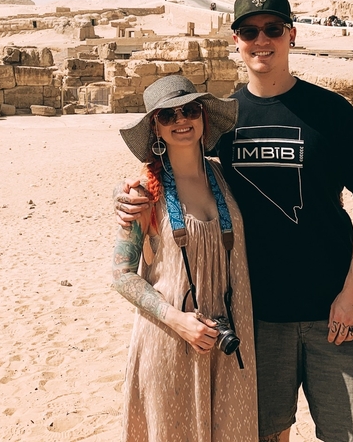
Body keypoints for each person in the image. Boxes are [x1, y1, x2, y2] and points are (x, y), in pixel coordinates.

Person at [118, 0, 353, 442]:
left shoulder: (332, 113)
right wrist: (127, 194)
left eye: (273, 29)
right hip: (255, 321)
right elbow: (178, 172)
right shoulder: (221, 126)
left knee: (351, 435)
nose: (261, 40)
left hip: (333, 312)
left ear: (291, 34)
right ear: (236, 40)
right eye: (249, 31)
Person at [113, 75, 258, 441]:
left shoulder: (227, 177)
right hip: (170, 343)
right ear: (155, 128)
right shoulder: (143, 193)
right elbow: (121, 275)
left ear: (203, 116)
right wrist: (178, 321)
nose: (181, 120)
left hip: (228, 346)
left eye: (190, 110)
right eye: (167, 115)